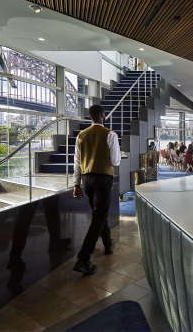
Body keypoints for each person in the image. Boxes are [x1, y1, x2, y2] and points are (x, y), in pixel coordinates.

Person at [72, 104, 121, 275]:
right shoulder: (110, 134)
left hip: (87, 180)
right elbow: (115, 161)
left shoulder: (81, 135)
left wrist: (76, 184)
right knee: (98, 217)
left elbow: (77, 163)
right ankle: (83, 259)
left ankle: (108, 244)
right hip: (103, 179)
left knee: (100, 213)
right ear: (102, 115)